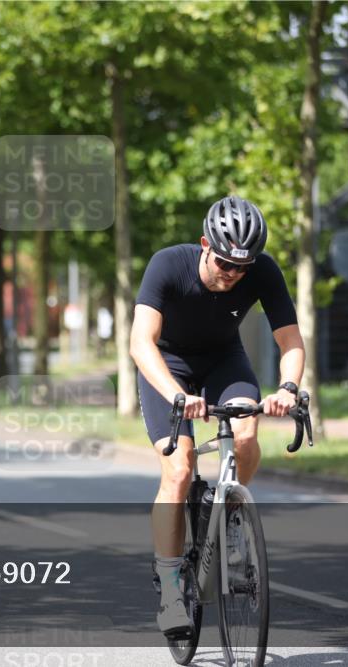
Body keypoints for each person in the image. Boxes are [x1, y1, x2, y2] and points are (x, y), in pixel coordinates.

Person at [129, 195, 305, 636]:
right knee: (179, 467)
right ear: (205, 244)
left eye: (242, 268)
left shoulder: (262, 271)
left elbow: (291, 341)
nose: (233, 275)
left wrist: (287, 388)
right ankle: (170, 589)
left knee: (247, 433)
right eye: (225, 263)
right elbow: (140, 343)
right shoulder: (168, 265)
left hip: (224, 360)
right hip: (167, 365)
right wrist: (175, 395)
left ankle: (229, 516)